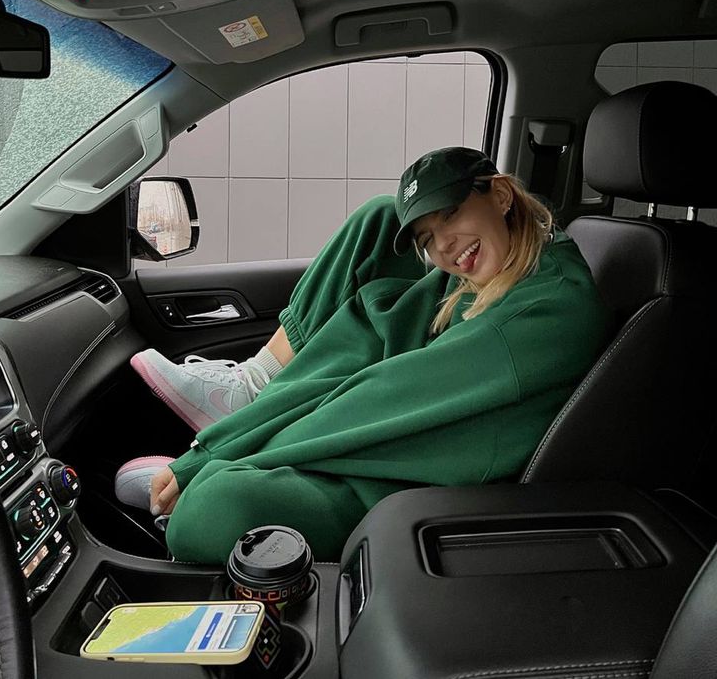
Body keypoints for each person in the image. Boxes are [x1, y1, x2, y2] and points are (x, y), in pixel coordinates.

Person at [114, 147, 612, 563]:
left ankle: (222, 455)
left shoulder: (540, 313)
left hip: (428, 478)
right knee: (371, 299)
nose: (444, 246)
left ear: (500, 195)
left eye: (452, 214)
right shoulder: (512, 263)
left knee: (213, 510)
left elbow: (386, 400)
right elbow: (382, 356)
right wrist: (221, 451)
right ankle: (250, 401)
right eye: (426, 239)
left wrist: (209, 459)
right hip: (413, 431)